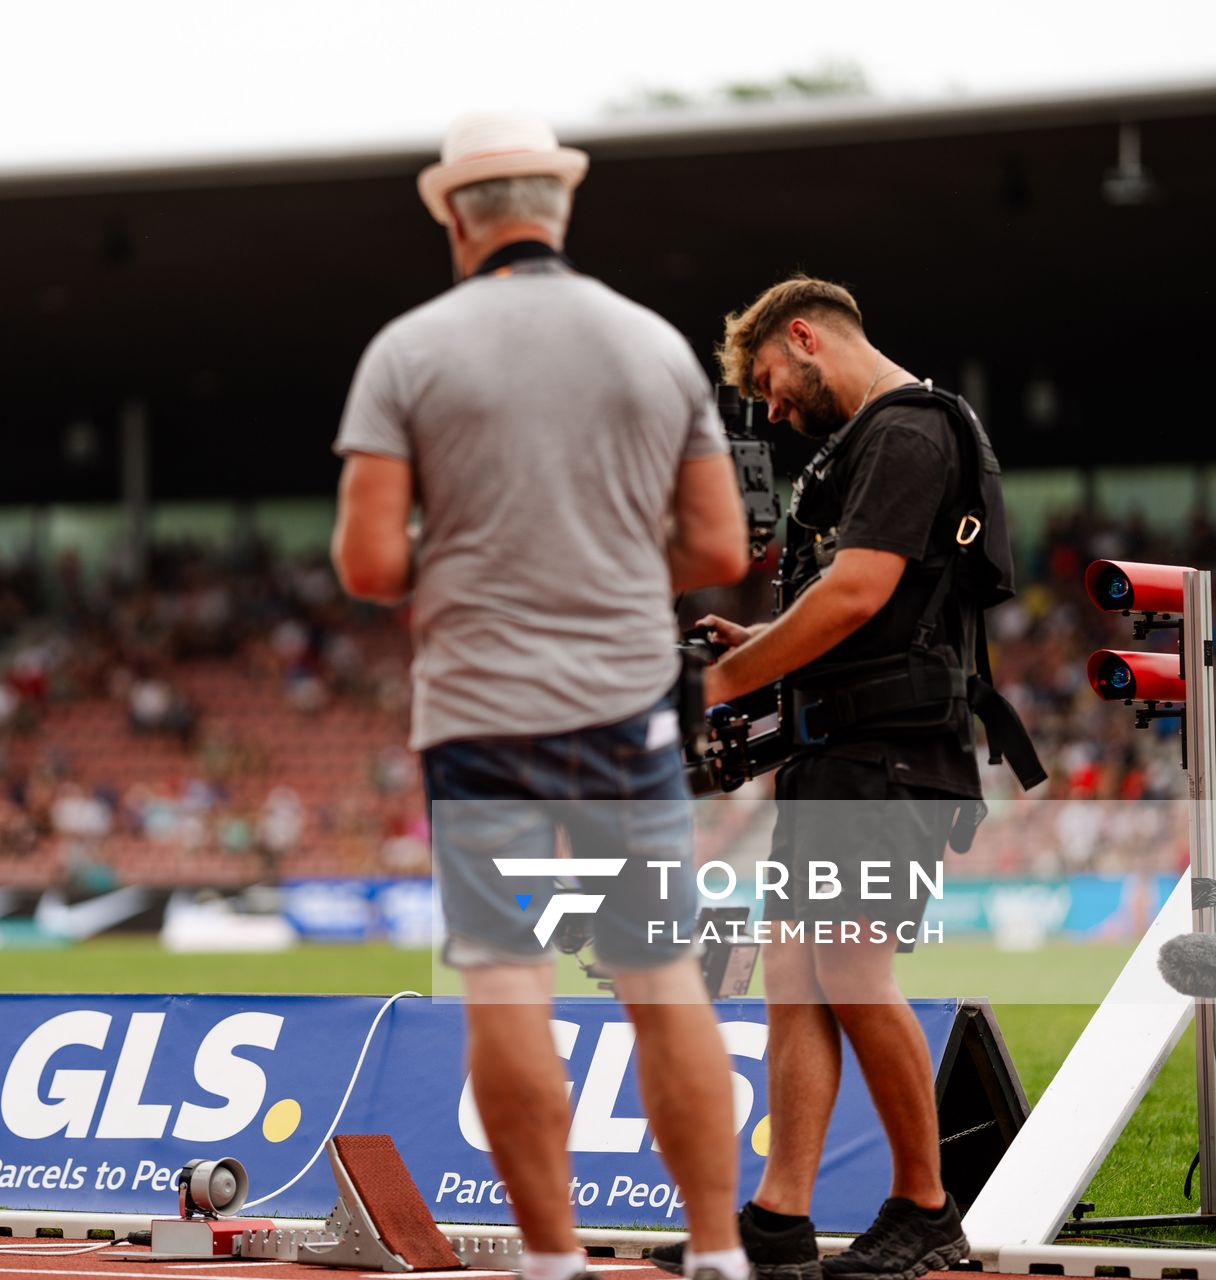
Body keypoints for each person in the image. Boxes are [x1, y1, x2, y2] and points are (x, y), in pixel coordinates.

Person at [331, 112, 754, 1280]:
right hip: (626, 702)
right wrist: (603, 564)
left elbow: (367, 565)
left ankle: (555, 1258)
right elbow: (720, 537)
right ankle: (718, 1251)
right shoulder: (655, 343)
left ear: (457, 222)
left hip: (479, 709)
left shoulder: (410, 350)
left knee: (505, 973)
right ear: (559, 209)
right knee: (662, 973)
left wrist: (481, 558)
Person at [668, 276, 1013, 1280]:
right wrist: (762, 640)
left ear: (808, 337)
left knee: (851, 968)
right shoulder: (866, 442)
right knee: (795, 984)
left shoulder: (907, 432)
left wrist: (728, 676)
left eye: (771, 383)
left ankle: (926, 1205)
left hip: (892, 754)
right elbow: (850, 600)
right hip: (840, 752)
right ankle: (780, 1217)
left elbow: (861, 592)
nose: (770, 410)